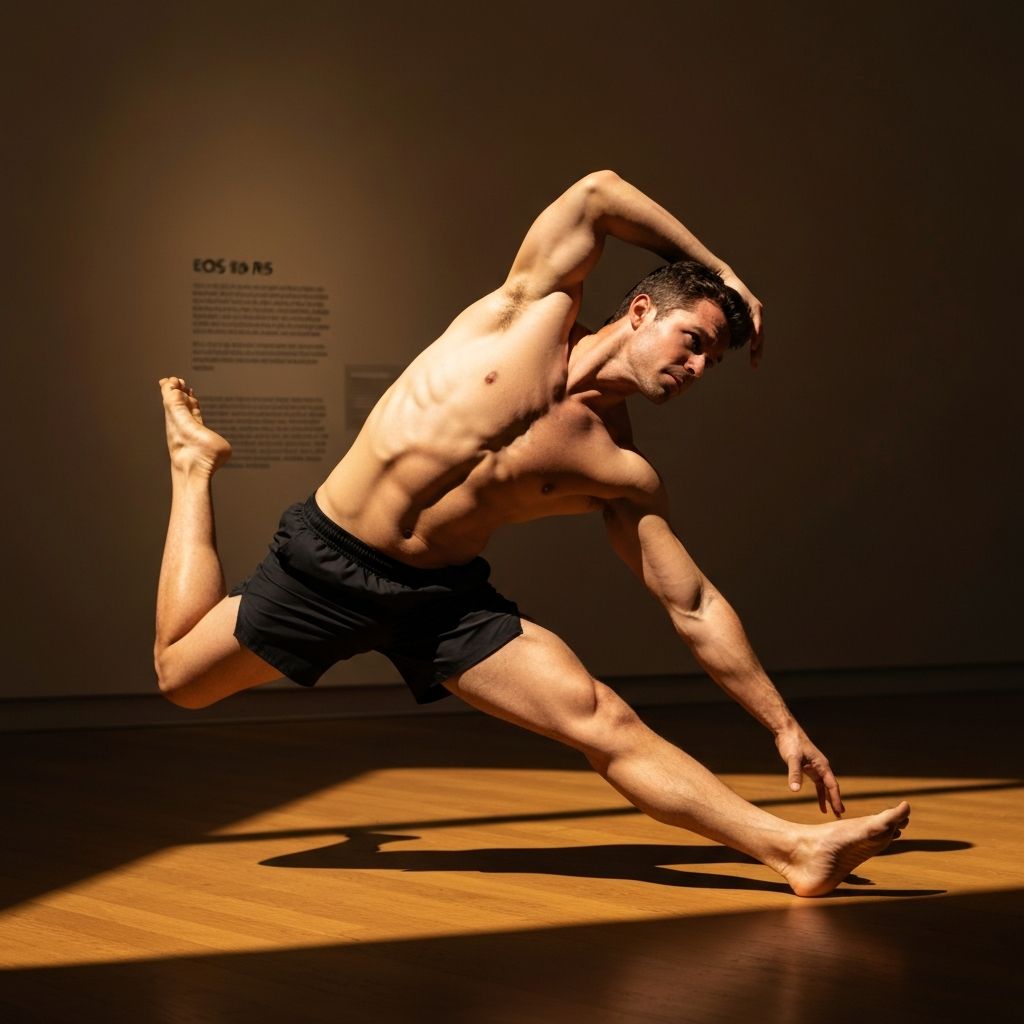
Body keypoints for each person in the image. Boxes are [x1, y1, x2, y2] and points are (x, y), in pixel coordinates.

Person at [155, 170, 909, 897]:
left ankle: (796, 851)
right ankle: (194, 466)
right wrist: (722, 271)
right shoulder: (528, 310)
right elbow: (598, 191)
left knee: (603, 718)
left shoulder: (621, 470)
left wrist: (782, 724)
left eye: (712, 357)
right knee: (180, 680)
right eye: (693, 339)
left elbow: (695, 606)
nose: (699, 365)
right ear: (641, 311)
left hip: (440, 601)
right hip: (330, 559)